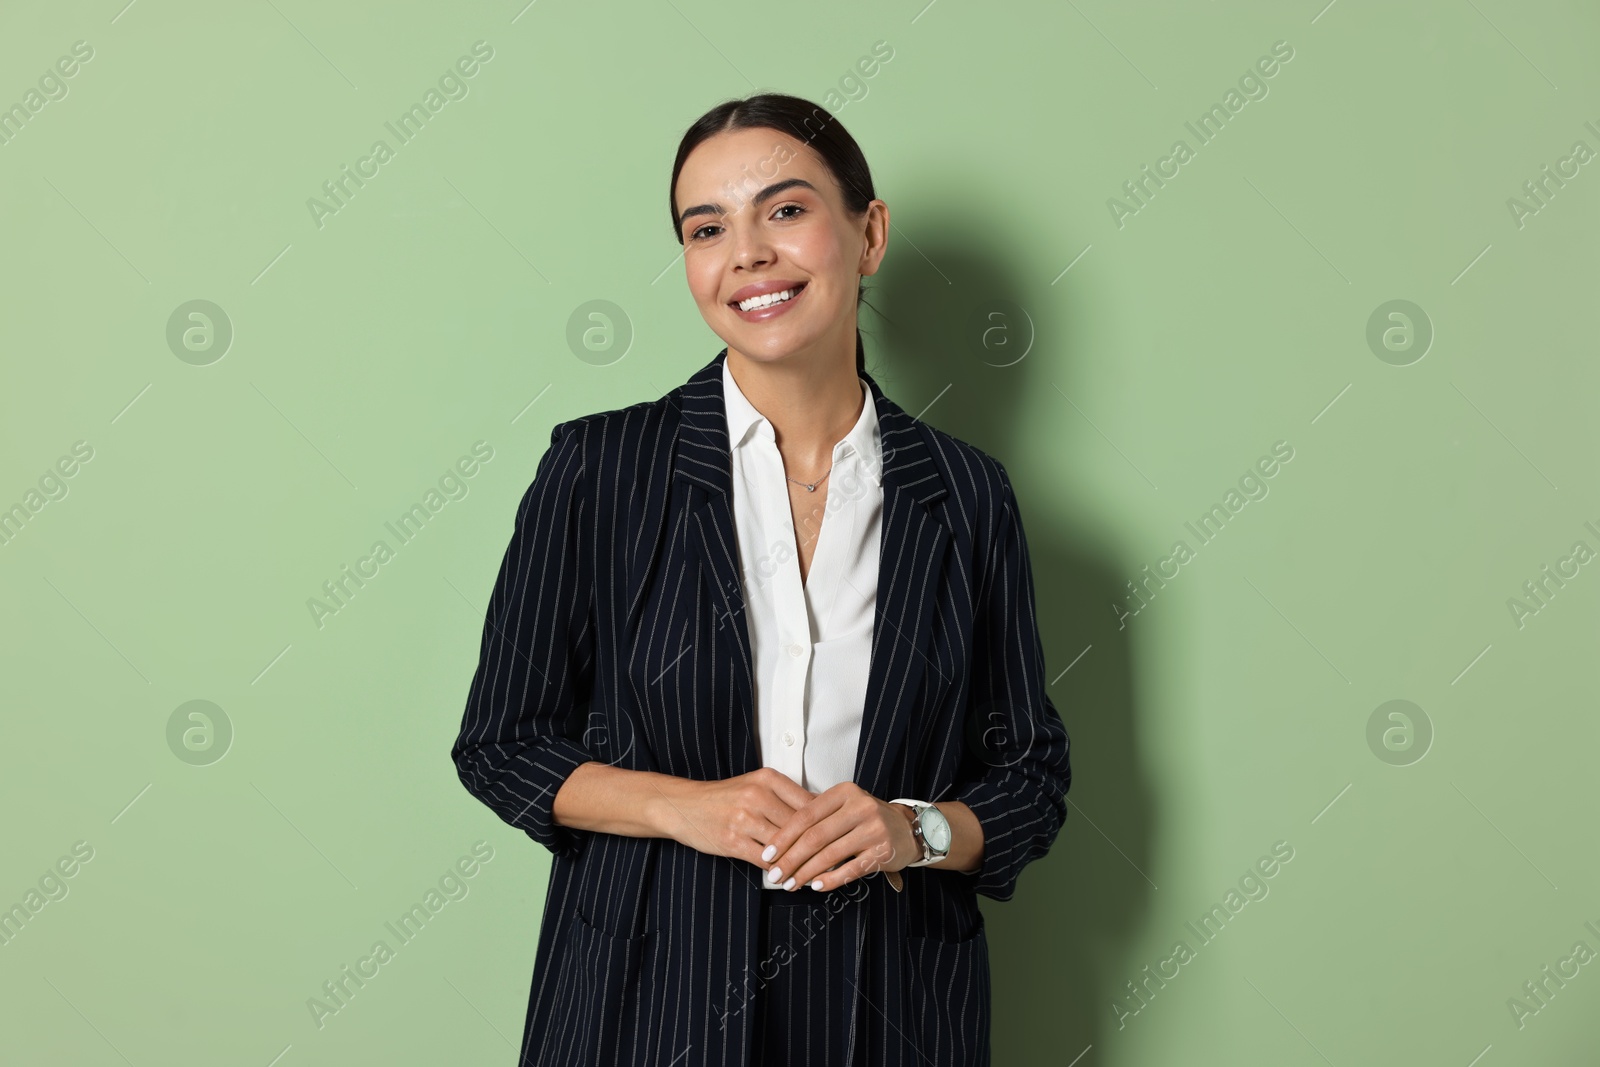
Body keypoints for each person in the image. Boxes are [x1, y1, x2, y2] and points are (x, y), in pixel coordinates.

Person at [451, 91, 1070, 1067]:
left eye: (783, 210)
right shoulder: (601, 468)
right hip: (646, 991)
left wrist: (911, 827)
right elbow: (502, 743)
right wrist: (681, 805)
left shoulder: (966, 493)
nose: (745, 251)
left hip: (895, 992)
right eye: (707, 227)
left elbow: (1029, 776)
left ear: (867, 235)